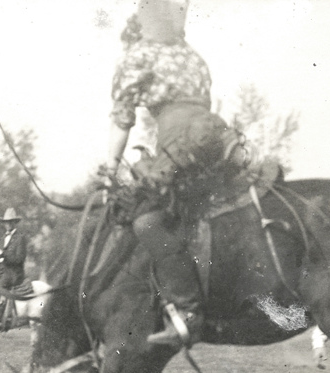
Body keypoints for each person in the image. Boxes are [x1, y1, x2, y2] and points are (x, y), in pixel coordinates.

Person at [105, 0, 247, 348]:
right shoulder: (193, 56)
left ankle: (187, 312)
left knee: (147, 221)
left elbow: (123, 121)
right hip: (216, 137)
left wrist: (110, 166)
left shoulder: (136, 56)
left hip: (179, 139)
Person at [0, 207, 29, 331]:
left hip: (15, 273)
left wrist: (3, 255)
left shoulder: (20, 238)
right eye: (6, 222)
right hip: (3, 271)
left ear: (15, 223)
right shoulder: (2, 238)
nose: (8, 224)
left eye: (11, 222)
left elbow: (19, 259)